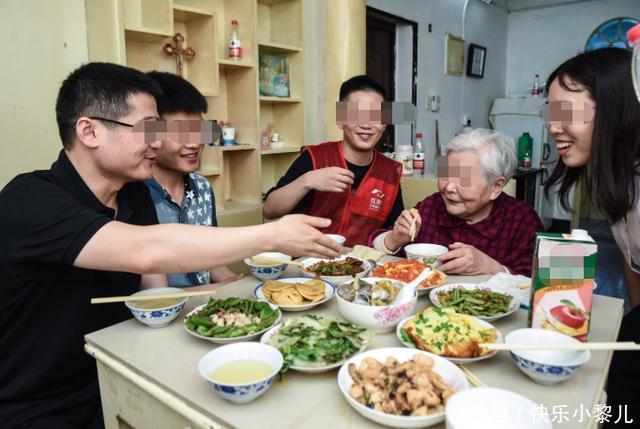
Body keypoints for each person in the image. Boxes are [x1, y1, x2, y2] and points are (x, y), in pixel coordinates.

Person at [0, 62, 340, 428]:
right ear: (89, 131)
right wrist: (271, 234)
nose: (157, 141)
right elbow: (146, 249)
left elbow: (155, 295)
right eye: (149, 129)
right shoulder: (29, 200)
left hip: (118, 368)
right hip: (36, 404)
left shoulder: (133, 197)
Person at [540, 47, 640, 427]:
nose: (553, 127)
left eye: (566, 113)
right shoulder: (620, 182)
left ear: (616, 108)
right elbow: (633, 262)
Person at [369, 128, 544, 277]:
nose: (449, 187)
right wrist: (394, 238)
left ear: (496, 186)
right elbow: (376, 253)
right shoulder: (432, 206)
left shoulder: (522, 221)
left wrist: (491, 267)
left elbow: (543, 287)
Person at [262, 75, 404, 247]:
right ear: (340, 119)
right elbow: (269, 209)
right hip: (305, 264)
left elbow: (392, 233)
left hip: (362, 267)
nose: (366, 125)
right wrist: (309, 180)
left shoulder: (389, 172)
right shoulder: (314, 157)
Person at [145, 71, 242, 290]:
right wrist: (216, 290)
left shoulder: (202, 187)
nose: (194, 144)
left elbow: (212, 259)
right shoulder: (136, 194)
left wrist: (234, 282)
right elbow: (151, 295)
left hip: (206, 308)